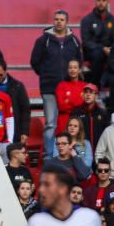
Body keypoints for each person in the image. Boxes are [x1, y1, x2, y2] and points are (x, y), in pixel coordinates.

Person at [31, 10, 83, 157]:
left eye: (62, 19)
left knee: (70, 123)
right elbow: (35, 61)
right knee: (50, 123)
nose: (59, 22)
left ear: (67, 22)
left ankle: (72, 152)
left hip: (69, 88)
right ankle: (49, 154)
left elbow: (79, 61)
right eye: (56, 19)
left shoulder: (74, 41)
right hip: (49, 88)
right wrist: (46, 74)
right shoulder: (43, 40)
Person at [80, 0, 114, 86]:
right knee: (98, 54)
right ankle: (95, 86)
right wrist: (102, 48)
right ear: (95, 2)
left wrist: (111, 49)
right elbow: (86, 41)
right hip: (92, 52)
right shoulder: (86, 20)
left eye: (104, 0)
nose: (101, 3)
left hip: (110, 51)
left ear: (107, 2)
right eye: (99, 0)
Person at [0, 61, 31, 142]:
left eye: (1, 75)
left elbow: (25, 110)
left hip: (14, 131)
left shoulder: (17, 86)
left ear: (5, 71)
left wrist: (25, 132)